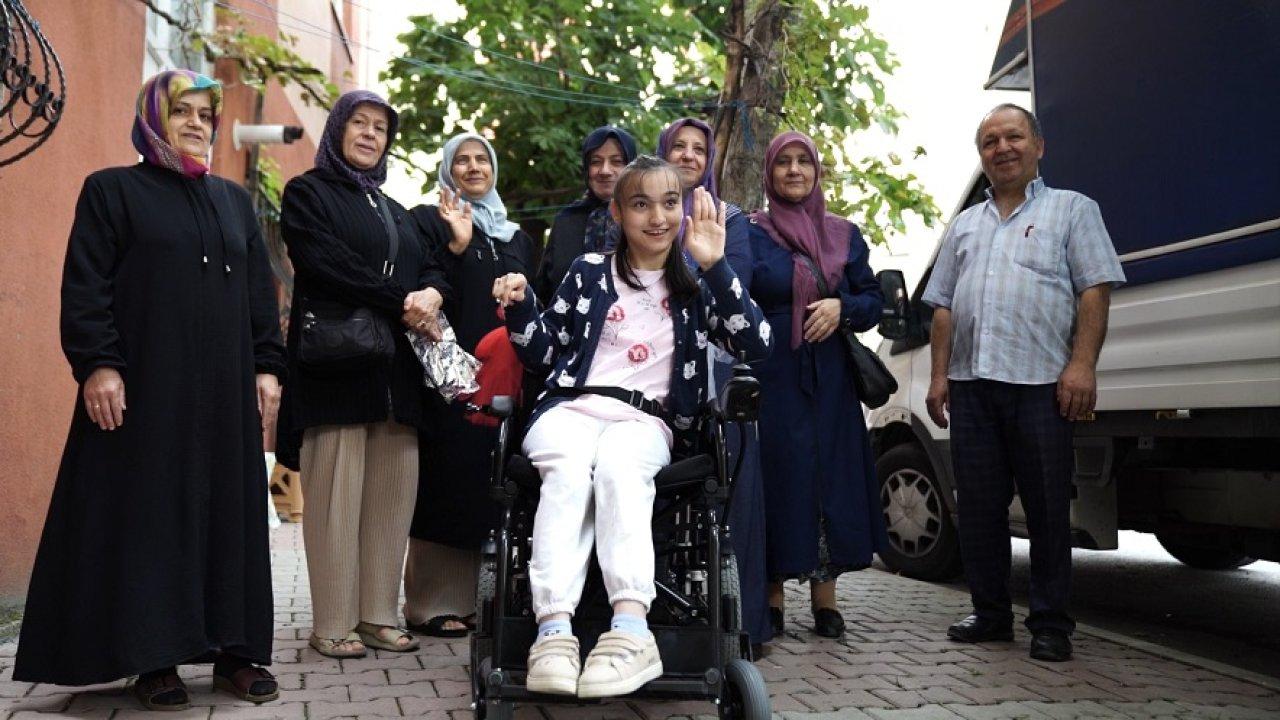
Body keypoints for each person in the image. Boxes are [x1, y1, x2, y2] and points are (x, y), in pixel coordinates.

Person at [14, 69, 285, 710]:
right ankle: (155, 658)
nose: (196, 124)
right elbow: (87, 285)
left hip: (225, 397)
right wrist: (99, 364)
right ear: (153, 117)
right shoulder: (112, 191)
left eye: (205, 115)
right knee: (151, 514)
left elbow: (260, 295)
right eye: (182, 111)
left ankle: (236, 653)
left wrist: (268, 366)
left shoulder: (233, 201)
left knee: (230, 515)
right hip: (149, 392)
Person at [491, 156, 772, 698]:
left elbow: (755, 344)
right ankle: (553, 633)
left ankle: (631, 631)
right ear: (618, 213)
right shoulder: (588, 272)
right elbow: (542, 354)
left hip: (645, 419)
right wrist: (522, 306)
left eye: (669, 203)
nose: (657, 217)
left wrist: (716, 266)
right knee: (567, 472)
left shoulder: (696, 287)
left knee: (620, 469)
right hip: (570, 409)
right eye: (641, 204)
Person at [922, 104, 1125, 662]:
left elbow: (1094, 290)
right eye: (990, 141)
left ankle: (1051, 623)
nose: (1002, 148)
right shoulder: (965, 224)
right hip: (972, 385)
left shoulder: (1073, 210)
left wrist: (1082, 365)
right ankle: (990, 613)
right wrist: (938, 377)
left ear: (1039, 146)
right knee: (979, 507)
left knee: (1046, 508)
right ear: (981, 155)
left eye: (1013, 136)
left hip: (1041, 384)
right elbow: (943, 306)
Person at [279, 89, 448, 659]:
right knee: (335, 500)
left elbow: (431, 265)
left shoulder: (396, 210)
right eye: (359, 123)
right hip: (336, 371)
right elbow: (327, 263)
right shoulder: (308, 193)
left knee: (390, 501)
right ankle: (332, 621)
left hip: (397, 378)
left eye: (380, 127)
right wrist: (402, 300)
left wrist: (431, 292)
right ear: (337, 130)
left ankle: (377, 615)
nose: (370, 134)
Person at [748, 131, 889, 639]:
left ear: (816, 171)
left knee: (829, 477)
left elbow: (873, 302)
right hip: (774, 377)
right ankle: (772, 595)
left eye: (802, 161)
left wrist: (841, 306)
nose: (793, 170)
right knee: (779, 476)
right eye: (783, 162)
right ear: (770, 173)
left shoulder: (844, 234)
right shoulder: (752, 233)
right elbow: (738, 294)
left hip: (830, 380)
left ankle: (825, 600)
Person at [402, 132, 536, 637]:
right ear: (447, 169)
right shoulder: (429, 221)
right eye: (462, 160)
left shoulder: (516, 237)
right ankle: (430, 603)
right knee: (445, 481)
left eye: (483, 159)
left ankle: (477, 601)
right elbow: (424, 286)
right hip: (450, 378)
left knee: (490, 482)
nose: (474, 167)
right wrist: (456, 247)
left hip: (504, 378)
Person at [656, 117, 771, 651]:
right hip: (652, 369)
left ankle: (738, 627)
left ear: (709, 161)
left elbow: (732, 289)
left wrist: (699, 266)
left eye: (698, 148)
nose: (687, 155)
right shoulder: (647, 214)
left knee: (731, 494)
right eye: (677, 146)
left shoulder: (731, 219)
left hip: (716, 373)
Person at [533, 125, 637, 303]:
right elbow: (545, 292)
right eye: (596, 162)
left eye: (617, 161)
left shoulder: (644, 220)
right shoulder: (566, 220)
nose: (605, 170)